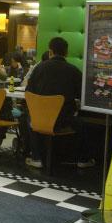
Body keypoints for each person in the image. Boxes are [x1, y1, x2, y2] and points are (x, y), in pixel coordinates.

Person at [25, 37, 95, 169]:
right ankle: (83, 160)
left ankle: (36, 157)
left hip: (39, 119)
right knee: (82, 124)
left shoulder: (39, 68)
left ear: (50, 52)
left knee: (28, 116)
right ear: (66, 52)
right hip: (63, 121)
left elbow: (28, 92)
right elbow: (82, 95)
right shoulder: (73, 71)